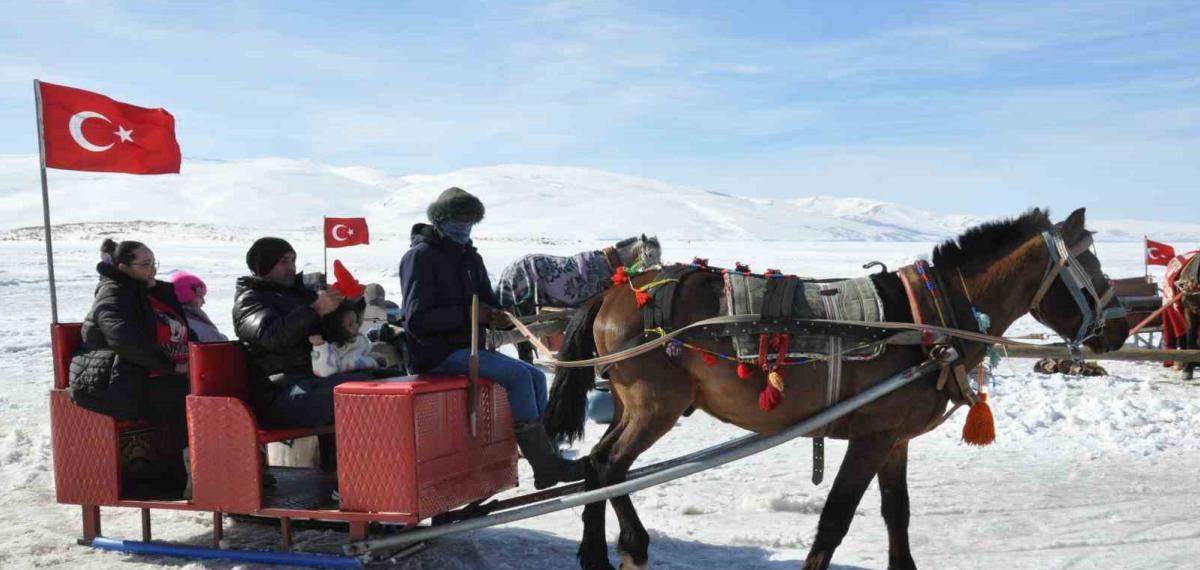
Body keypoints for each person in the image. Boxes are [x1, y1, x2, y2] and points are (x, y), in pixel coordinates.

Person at [398, 187, 583, 489]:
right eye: (460, 218)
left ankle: (548, 456)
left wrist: (499, 312)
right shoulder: (420, 258)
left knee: (535, 376)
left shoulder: (471, 258)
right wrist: (473, 315)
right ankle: (546, 464)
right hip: (436, 354)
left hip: (470, 347)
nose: (465, 226)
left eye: (471, 220)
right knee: (520, 378)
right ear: (442, 219)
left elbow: (488, 302)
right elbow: (417, 320)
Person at [232, 237, 370, 427]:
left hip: (316, 379)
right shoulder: (249, 301)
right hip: (279, 391)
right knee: (363, 393)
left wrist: (350, 305)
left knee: (386, 380)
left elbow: (337, 331)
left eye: (293, 260)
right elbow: (272, 337)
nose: (291, 267)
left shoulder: (302, 294)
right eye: (284, 261)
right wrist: (314, 310)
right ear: (264, 264)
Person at [69, 239, 195, 426]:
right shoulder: (112, 294)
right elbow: (122, 336)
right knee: (179, 399)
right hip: (118, 378)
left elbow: (185, 330)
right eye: (145, 264)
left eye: (154, 263)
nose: (152, 269)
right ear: (124, 268)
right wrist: (171, 366)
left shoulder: (152, 292)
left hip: (163, 373)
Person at [309, 300, 388, 377]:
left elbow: (366, 354)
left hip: (369, 372)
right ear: (338, 330)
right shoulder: (332, 347)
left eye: (356, 321)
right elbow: (324, 371)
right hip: (348, 379)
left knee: (396, 375)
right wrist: (320, 346)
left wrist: (376, 358)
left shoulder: (360, 340)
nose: (356, 326)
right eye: (350, 324)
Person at [166, 270, 228, 342]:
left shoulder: (165, 319)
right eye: (200, 297)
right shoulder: (199, 328)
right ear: (186, 297)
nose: (204, 302)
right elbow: (219, 344)